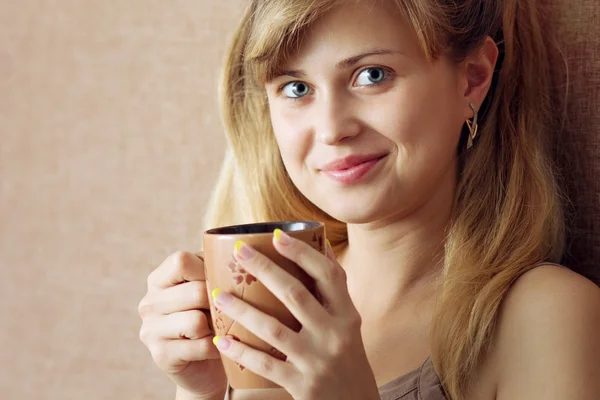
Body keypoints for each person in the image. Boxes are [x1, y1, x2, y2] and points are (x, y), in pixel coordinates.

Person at [137, 0, 600, 399]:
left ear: (472, 79)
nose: (332, 127)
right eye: (296, 88)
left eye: (372, 75)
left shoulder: (548, 317)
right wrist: (202, 392)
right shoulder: (267, 301)